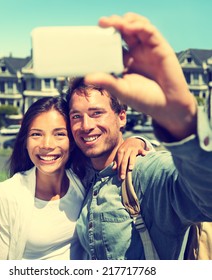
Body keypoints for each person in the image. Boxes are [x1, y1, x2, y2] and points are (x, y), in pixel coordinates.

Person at [64, 12, 212, 259]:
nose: (86, 125)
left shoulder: (144, 173)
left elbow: (205, 198)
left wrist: (185, 126)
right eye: (76, 116)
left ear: (121, 116)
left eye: (97, 112)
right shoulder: (83, 173)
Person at [0, 96, 151, 260]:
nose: (47, 145)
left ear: (71, 142)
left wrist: (138, 142)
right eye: (36, 134)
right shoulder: (10, 192)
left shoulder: (84, 178)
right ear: (25, 141)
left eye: (59, 134)